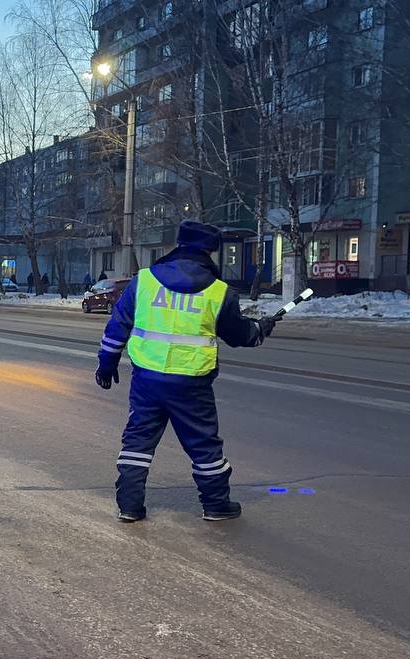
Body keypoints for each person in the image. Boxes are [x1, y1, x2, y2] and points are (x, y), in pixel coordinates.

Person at [95, 220, 276, 523]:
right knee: (204, 445)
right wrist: (260, 329)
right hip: (191, 383)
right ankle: (216, 505)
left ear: (178, 245)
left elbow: (118, 325)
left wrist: (107, 361)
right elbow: (239, 335)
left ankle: (129, 506)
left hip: (147, 379)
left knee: (138, 442)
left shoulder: (145, 281)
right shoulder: (220, 292)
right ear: (209, 251)